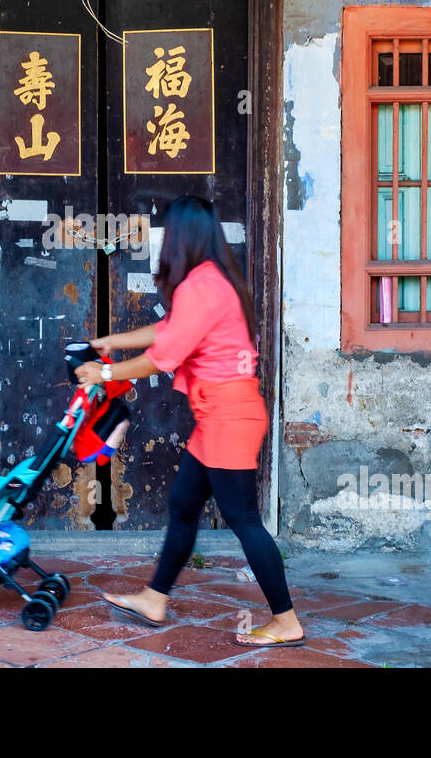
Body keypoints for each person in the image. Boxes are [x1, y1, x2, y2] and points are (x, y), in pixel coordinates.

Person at [74, 195, 304, 647]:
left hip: (228, 417)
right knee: (183, 506)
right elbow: (168, 331)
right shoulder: (213, 281)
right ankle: (154, 598)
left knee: (243, 519)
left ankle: (286, 620)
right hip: (220, 414)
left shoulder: (202, 285)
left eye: (167, 232)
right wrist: (110, 341)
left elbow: (164, 357)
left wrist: (104, 372)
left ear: (180, 236)